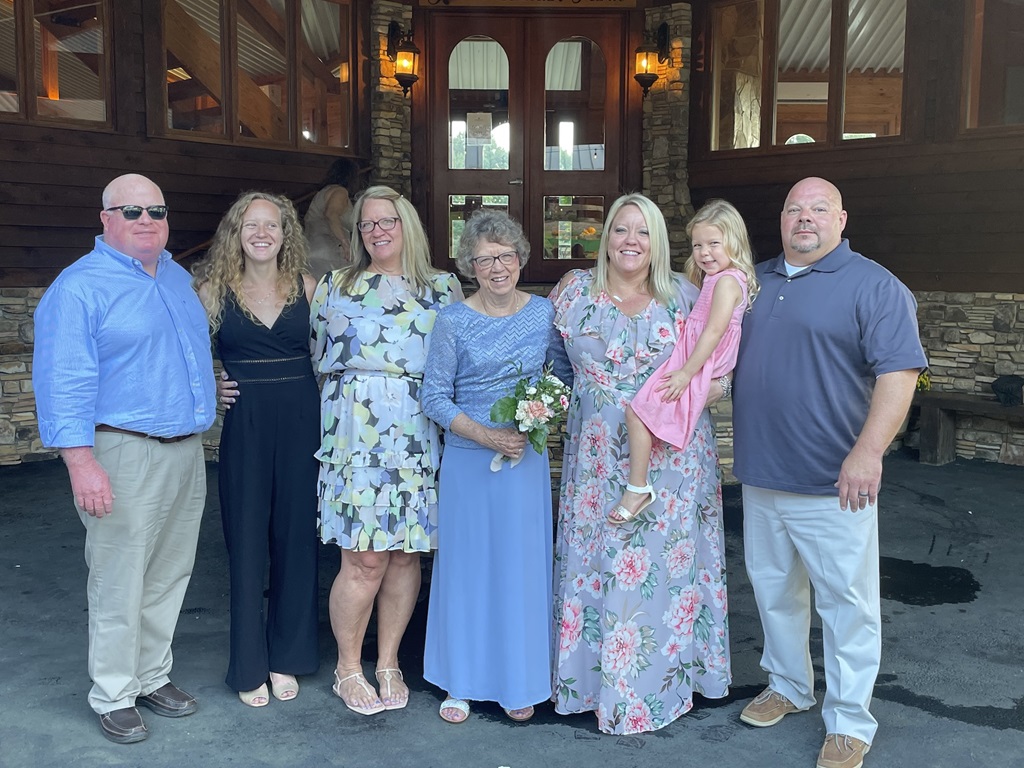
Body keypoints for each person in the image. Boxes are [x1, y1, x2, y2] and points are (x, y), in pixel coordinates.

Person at [732, 177, 926, 768]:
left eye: (818, 209)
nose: (804, 218)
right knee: (774, 592)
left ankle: (848, 722)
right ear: (782, 219)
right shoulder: (752, 282)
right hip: (762, 474)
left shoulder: (875, 286)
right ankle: (789, 687)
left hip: (833, 481)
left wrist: (867, 453)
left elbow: (899, 374)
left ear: (842, 219)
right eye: (794, 209)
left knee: (847, 605)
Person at [32, 174, 217, 744]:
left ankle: (151, 676)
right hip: (122, 451)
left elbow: (180, 356)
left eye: (156, 210)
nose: (146, 220)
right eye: (131, 211)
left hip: (184, 451)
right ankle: (113, 692)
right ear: (105, 219)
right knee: (118, 578)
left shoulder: (178, 278)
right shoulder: (79, 287)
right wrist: (80, 461)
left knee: (168, 574)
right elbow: (62, 379)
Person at [550, 193, 732, 735]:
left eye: (644, 232)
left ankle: (664, 685)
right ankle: (590, 685)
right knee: (598, 556)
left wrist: (702, 393)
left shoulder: (687, 297)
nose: (631, 241)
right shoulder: (573, 292)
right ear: (605, 236)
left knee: (664, 569)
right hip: (594, 458)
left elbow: (721, 370)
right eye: (621, 230)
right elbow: (557, 365)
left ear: (659, 241)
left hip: (672, 458)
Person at [310, 185, 464, 716]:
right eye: (367, 224)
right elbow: (314, 360)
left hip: (420, 435)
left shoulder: (443, 288)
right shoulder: (335, 284)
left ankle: (389, 661)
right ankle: (347, 667)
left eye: (387, 222)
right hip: (356, 436)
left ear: (409, 227)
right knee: (364, 558)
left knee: (405, 553)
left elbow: (462, 363)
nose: (377, 231)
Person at [421, 210, 566, 725]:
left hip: (523, 463)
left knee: (520, 572)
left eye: (505, 256)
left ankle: (519, 680)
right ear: (469, 266)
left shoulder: (546, 315)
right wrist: (485, 435)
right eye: (484, 259)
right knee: (466, 572)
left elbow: (565, 379)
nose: (497, 267)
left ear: (521, 257)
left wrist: (539, 417)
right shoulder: (454, 319)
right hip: (467, 463)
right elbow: (434, 396)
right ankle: (461, 680)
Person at [193, 192, 320, 708]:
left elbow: (333, 357)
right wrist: (208, 384)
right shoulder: (211, 291)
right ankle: (248, 663)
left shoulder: (310, 288)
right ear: (235, 233)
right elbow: (178, 352)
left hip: (302, 422)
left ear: (286, 233)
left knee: (296, 540)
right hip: (245, 423)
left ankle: (287, 656)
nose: (262, 233)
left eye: (272, 224)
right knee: (246, 543)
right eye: (251, 225)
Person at [614, 199, 759, 524]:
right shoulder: (714, 278)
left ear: (733, 243)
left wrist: (684, 373)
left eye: (713, 244)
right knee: (645, 411)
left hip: (700, 362)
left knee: (638, 410)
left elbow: (713, 332)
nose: (704, 252)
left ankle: (637, 487)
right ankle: (641, 482)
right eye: (698, 245)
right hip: (695, 358)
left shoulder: (726, 281)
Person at [304, 158, 363, 278]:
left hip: (312, 249)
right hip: (329, 253)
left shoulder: (324, 192)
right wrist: (344, 242)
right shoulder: (340, 192)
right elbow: (331, 214)